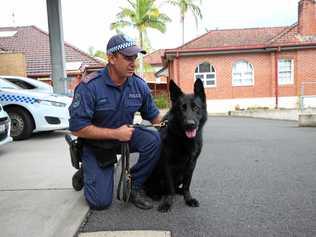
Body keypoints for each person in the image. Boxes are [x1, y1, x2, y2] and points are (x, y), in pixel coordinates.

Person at [68, 34, 162, 210]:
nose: (133, 62)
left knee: (154, 140)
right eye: (127, 57)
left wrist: (179, 126)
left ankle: (134, 186)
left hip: (124, 138)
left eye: (134, 57)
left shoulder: (138, 85)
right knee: (100, 203)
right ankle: (87, 171)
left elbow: (154, 117)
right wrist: (115, 134)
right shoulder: (90, 87)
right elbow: (77, 128)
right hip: (97, 145)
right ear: (111, 58)